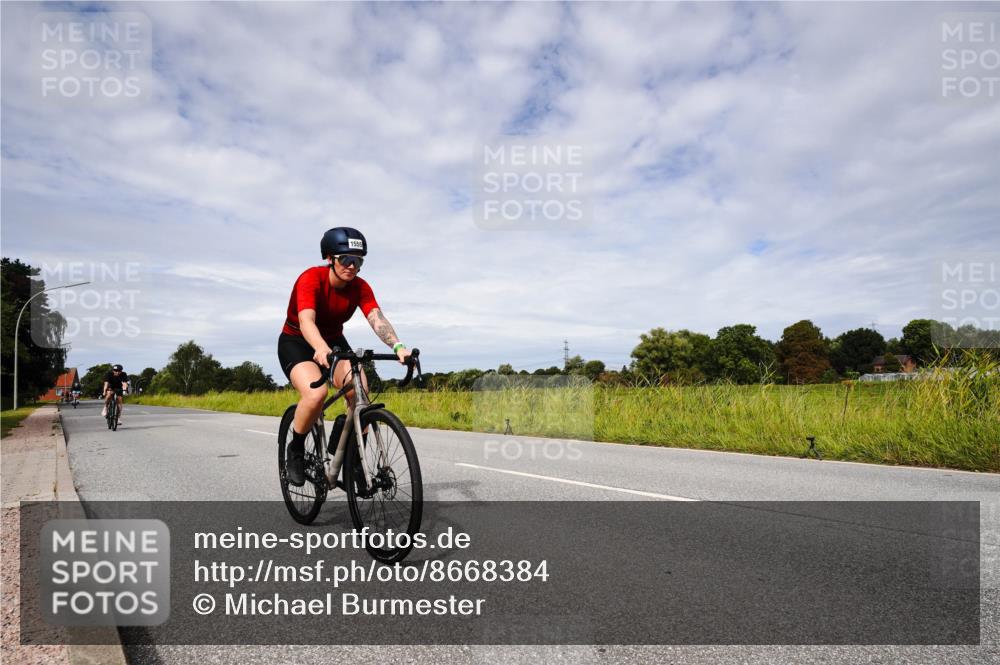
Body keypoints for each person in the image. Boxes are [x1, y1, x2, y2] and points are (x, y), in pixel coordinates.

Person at [278, 227, 411, 486]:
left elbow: (376, 318)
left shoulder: (360, 287)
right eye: (345, 259)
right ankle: (295, 449)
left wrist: (398, 347)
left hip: (333, 341)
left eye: (358, 261)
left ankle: (350, 455)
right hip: (297, 340)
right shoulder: (311, 279)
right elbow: (306, 321)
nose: (352, 266)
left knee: (359, 392)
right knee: (316, 394)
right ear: (330, 258)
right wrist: (319, 347)